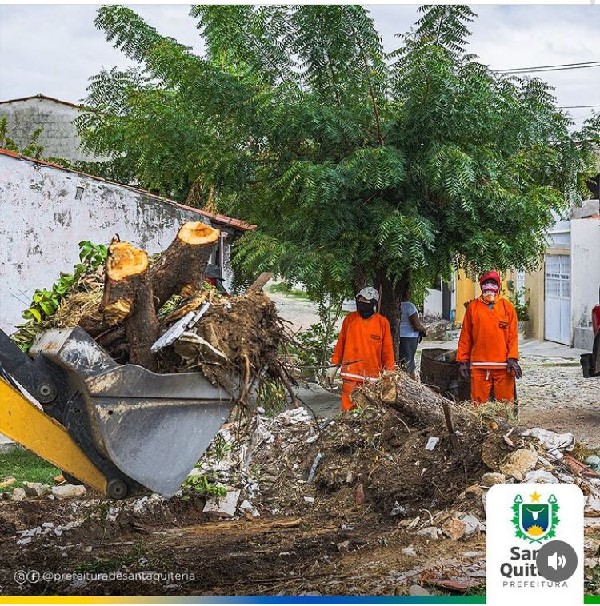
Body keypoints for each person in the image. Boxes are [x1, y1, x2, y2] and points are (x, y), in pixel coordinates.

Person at [456, 271, 522, 404]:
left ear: (498, 286)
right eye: (486, 283)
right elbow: (465, 337)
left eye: (493, 283)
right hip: (479, 365)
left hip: (503, 366)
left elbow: (513, 336)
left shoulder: (507, 307)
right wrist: (462, 361)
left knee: (504, 405)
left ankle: (504, 425)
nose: (489, 286)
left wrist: (513, 359)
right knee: (478, 405)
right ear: (481, 286)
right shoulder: (473, 308)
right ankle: (480, 425)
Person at [326, 287, 395, 411]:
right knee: (348, 414)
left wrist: (390, 375)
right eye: (360, 300)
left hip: (372, 379)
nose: (362, 304)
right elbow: (340, 345)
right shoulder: (350, 319)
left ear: (373, 303)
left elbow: (388, 352)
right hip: (350, 375)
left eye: (366, 301)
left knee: (369, 413)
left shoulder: (382, 323)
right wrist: (334, 365)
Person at [398, 288, 427, 380]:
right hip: (409, 337)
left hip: (399, 335)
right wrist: (424, 329)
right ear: (407, 292)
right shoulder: (409, 306)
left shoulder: (396, 305)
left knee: (403, 359)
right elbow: (416, 326)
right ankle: (411, 381)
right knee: (409, 361)